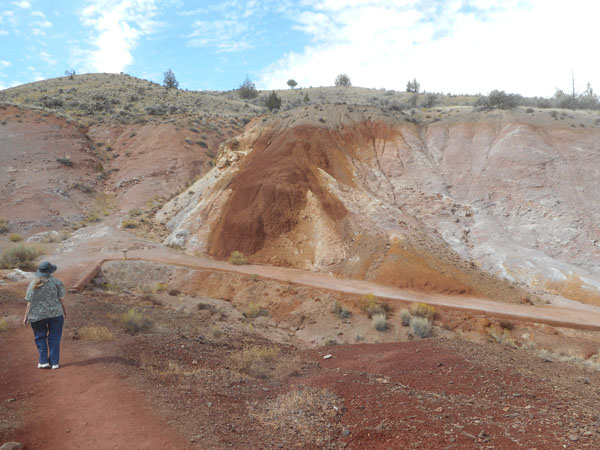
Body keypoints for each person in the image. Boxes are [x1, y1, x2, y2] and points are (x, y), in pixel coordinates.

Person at [22, 261, 67, 369]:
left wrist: (25, 317)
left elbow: (29, 302)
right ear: (50, 271)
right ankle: (54, 363)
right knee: (55, 338)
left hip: (37, 316)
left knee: (40, 337)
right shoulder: (57, 282)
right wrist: (64, 311)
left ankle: (43, 361)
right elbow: (61, 300)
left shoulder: (33, 284)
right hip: (56, 314)